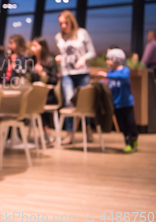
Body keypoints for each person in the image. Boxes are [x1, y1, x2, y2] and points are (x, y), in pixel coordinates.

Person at [55, 10, 96, 145]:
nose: (63, 25)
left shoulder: (82, 33)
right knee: (69, 101)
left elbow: (92, 52)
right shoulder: (58, 37)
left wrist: (83, 58)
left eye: (66, 23)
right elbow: (63, 53)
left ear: (71, 22)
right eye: (61, 23)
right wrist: (60, 58)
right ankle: (69, 133)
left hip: (82, 72)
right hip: (66, 73)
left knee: (85, 102)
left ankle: (88, 129)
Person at [98, 49, 139, 152]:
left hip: (126, 104)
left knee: (131, 123)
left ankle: (134, 136)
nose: (107, 62)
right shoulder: (111, 72)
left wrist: (106, 76)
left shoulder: (124, 71)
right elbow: (109, 83)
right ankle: (128, 143)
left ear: (116, 60)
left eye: (109, 59)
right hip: (116, 104)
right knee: (122, 125)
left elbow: (122, 77)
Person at [30, 36, 58, 142]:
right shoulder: (30, 61)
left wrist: (42, 74)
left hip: (48, 95)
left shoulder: (50, 61)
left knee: (37, 103)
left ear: (42, 47)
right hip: (33, 93)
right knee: (20, 103)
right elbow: (26, 76)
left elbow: (54, 80)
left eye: (35, 46)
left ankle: (46, 132)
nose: (32, 48)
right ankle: (14, 135)